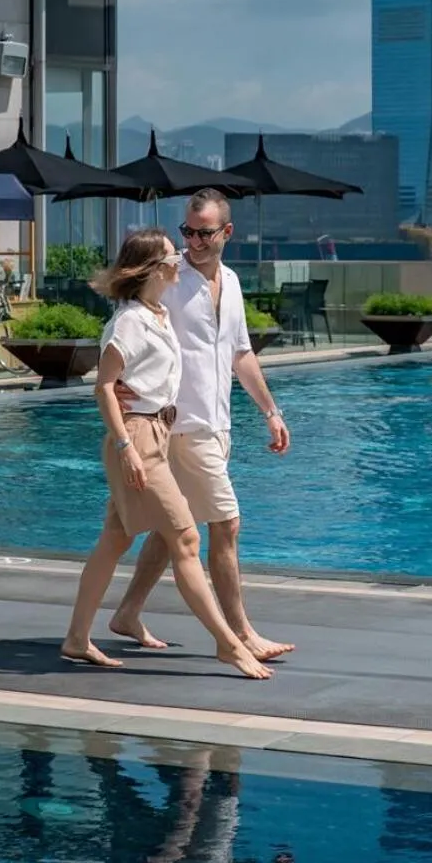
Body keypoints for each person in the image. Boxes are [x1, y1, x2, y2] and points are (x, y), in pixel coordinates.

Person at [60, 227, 272, 681]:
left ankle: (78, 637)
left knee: (115, 539)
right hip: (137, 440)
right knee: (187, 539)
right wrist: (126, 448)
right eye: (173, 258)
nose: (180, 263)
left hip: (158, 432)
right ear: (154, 270)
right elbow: (104, 387)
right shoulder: (129, 322)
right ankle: (229, 645)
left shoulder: (159, 315)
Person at [109, 190, 293, 662]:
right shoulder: (170, 276)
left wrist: (270, 411)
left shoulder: (231, 281)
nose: (193, 242)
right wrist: (117, 382)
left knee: (171, 527)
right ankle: (239, 634)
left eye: (204, 233)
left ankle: (127, 612)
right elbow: (128, 316)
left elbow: (241, 354)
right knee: (227, 524)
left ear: (226, 232)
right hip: (179, 425)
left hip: (216, 423)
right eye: (187, 232)